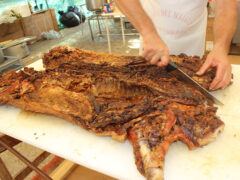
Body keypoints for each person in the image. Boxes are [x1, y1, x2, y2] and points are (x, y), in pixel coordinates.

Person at [115, 0, 236, 90]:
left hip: (192, 52)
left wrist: (221, 47)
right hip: (151, 46)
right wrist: (148, 32)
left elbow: (226, 7)